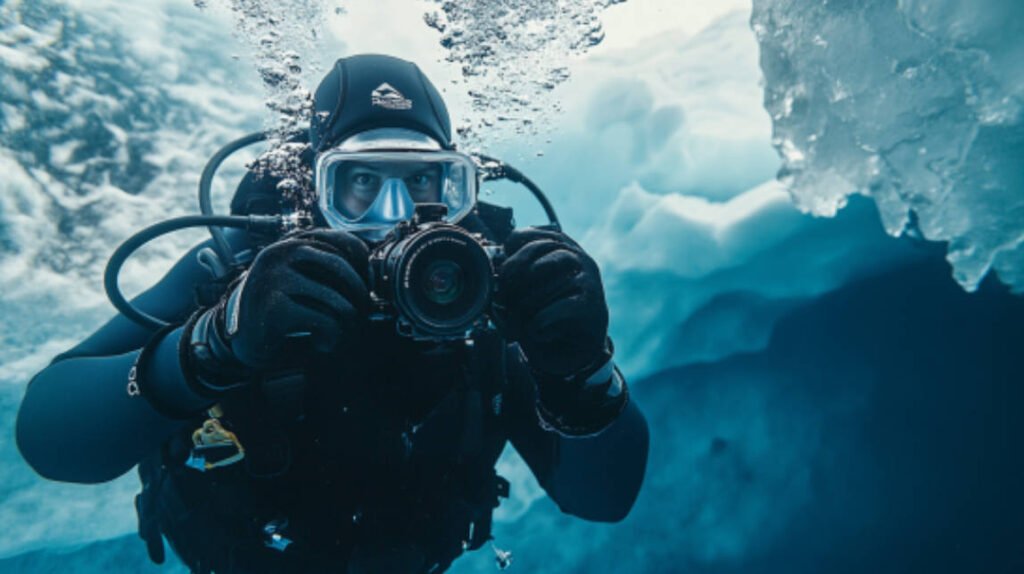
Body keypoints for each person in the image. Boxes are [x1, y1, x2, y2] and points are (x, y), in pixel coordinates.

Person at [15, 54, 649, 574]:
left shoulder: (484, 294)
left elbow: (604, 499)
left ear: (461, 189)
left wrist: (582, 374)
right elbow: (50, 436)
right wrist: (211, 344)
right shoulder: (238, 273)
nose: (398, 213)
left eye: (427, 182)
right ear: (312, 192)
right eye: (360, 184)